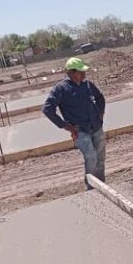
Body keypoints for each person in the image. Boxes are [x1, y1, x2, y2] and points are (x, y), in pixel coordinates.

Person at [43, 57, 106, 190]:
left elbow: (100, 98)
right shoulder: (61, 89)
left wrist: (100, 114)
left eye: (84, 72)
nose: (84, 74)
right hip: (80, 131)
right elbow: (48, 109)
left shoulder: (87, 85)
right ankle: (92, 188)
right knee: (91, 157)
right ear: (70, 73)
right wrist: (66, 126)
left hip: (96, 127)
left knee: (100, 157)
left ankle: (102, 185)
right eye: (80, 72)